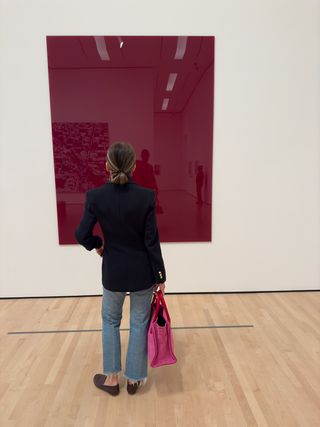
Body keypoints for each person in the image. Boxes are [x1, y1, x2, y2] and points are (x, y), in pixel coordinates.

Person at [75, 142, 166, 396]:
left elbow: (81, 233)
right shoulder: (146, 196)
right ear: (134, 167)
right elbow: (152, 242)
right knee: (139, 322)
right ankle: (134, 380)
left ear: (107, 166)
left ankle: (112, 379)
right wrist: (160, 276)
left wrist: (98, 245)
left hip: (113, 273)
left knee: (110, 321)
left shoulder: (95, 197)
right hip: (142, 274)